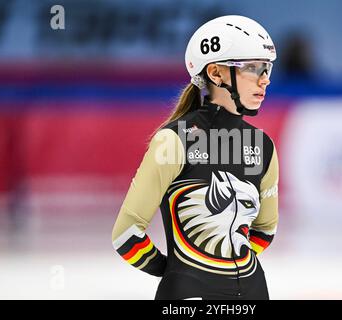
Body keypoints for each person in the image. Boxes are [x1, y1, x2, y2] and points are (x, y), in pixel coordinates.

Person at [111, 15, 279, 300]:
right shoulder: (174, 141)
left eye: (267, 69)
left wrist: (211, 265)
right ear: (215, 73)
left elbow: (265, 229)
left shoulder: (263, 145)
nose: (265, 80)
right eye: (253, 68)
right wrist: (174, 270)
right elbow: (126, 234)